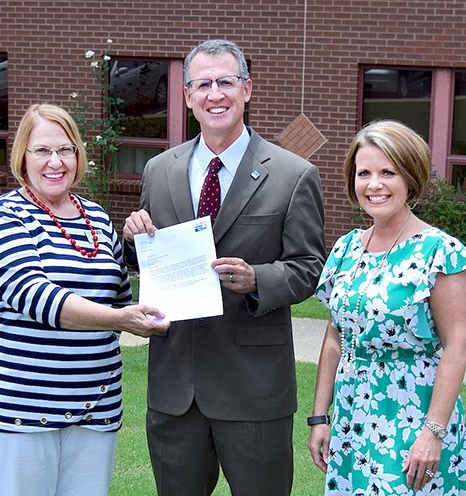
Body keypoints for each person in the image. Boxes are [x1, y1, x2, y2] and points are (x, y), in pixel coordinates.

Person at [123, 39, 326, 495]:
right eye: (203, 84)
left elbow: (310, 267)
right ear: (188, 95)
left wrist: (258, 279)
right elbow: (149, 259)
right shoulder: (160, 170)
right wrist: (132, 241)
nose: (215, 94)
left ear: (247, 90)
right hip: (175, 388)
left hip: (253, 389)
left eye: (226, 82)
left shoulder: (293, 175)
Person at [0, 103, 170, 496]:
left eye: (66, 149)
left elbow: (120, 296)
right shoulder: (4, 214)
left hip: (95, 406)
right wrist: (118, 319)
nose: (54, 161)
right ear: (22, 156)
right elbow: (34, 295)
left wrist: (137, 245)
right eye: (42, 150)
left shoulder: (95, 218)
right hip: (18, 407)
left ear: (79, 155)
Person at [307, 119, 466, 495]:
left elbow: (459, 344)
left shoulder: (441, 253)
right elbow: (333, 337)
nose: (374, 184)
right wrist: (319, 417)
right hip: (352, 417)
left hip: (414, 417)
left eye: (387, 172)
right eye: (364, 173)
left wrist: (433, 433)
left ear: (410, 177)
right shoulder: (347, 248)